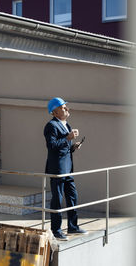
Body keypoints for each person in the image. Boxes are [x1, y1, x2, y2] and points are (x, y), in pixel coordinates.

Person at [44, 97, 87, 240]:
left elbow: (63, 148)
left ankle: (73, 226)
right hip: (57, 170)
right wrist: (68, 138)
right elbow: (52, 146)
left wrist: (73, 146)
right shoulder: (51, 126)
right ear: (55, 112)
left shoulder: (66, 125)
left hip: (67, 168)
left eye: (65, 106)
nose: (66, 109)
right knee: (57, 199)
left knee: (72, 196)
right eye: (63, 107)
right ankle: (56, 230)